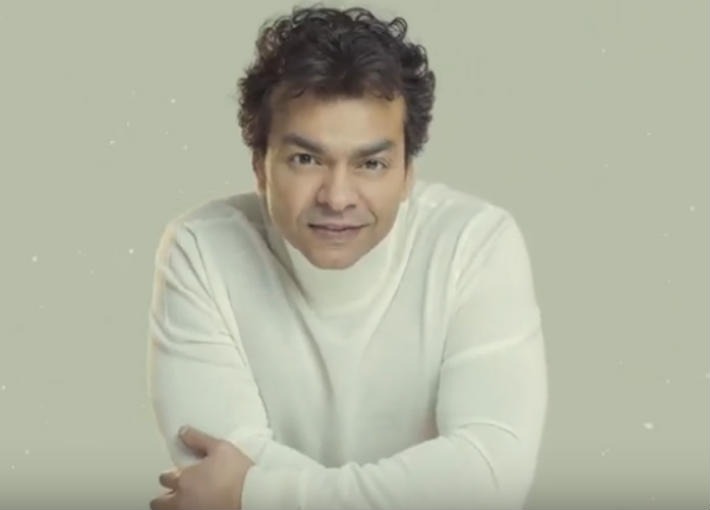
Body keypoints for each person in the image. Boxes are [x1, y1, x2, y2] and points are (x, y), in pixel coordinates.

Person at [147, 5, 548, 510]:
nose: (337, 197)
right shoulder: (202, 250)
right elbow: (212, 465)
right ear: (260, 166)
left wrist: (252, 493)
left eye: (371, 164)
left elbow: (490, 475)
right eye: (306, 159)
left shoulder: (475, 243)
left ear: (408, 173)